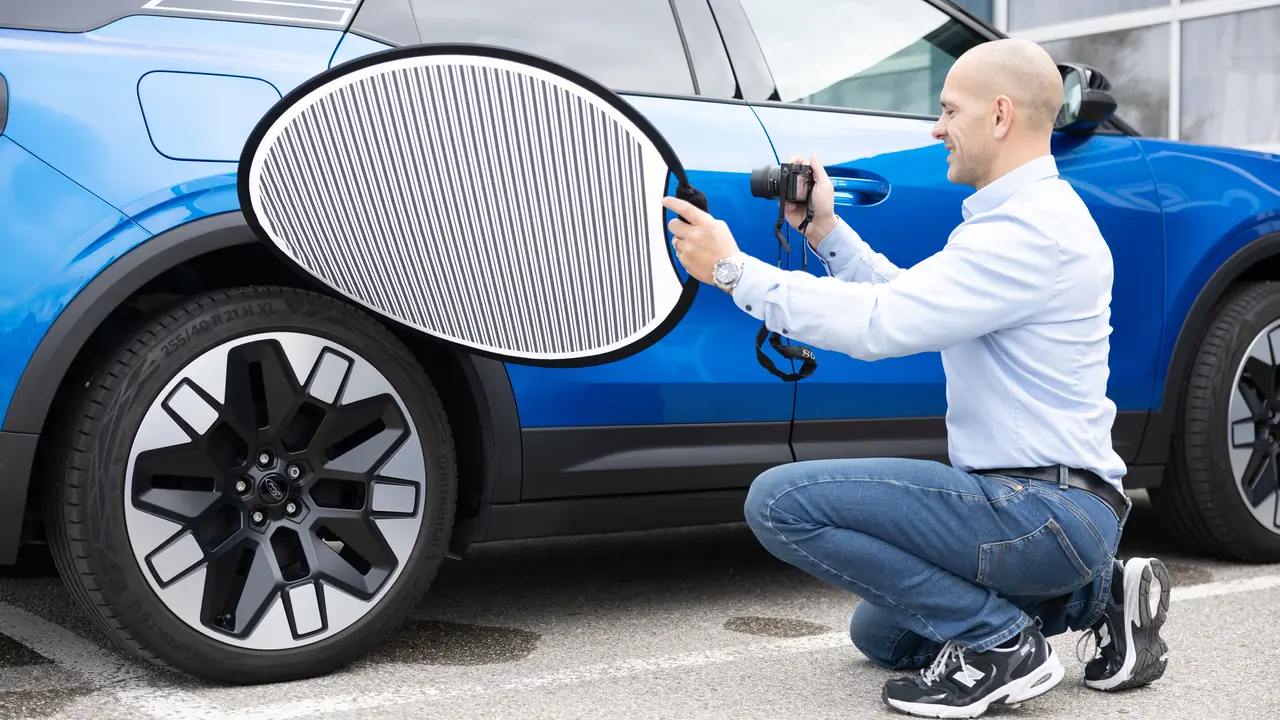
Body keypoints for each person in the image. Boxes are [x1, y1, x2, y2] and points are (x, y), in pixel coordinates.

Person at [661, 38, 1170, 718]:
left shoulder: (1028, 233)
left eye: (948, 110)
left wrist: (732, 271)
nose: (936, 129)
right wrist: (827, 232)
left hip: (1036, 511)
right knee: (881, 632)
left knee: (781, 503)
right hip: (1053, 514)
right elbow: (913, 302)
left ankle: (1000, 647)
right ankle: (1098, 593)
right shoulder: (1022, 221)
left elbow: (883, 323)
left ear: (998, 115)